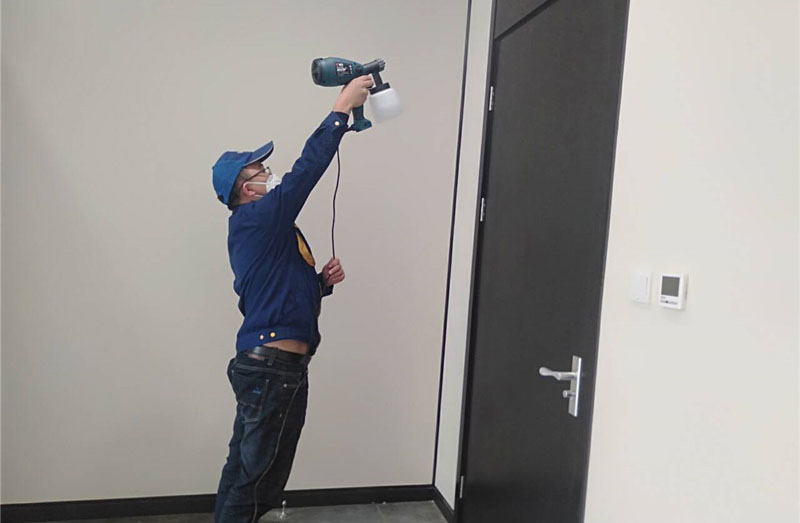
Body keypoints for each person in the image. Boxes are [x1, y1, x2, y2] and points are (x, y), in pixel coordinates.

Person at [211, 75, 374, 523]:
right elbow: (306, 172)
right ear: (246, 188)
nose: (269, 174)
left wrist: (319, 283)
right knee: (256, 481)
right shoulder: (258, 218)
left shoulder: (260, 228)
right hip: (273, 369)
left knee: (244, 472)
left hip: (269, 366)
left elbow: (272, 290)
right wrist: (341, 110)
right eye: (259, 171)